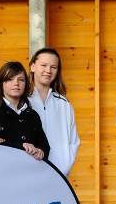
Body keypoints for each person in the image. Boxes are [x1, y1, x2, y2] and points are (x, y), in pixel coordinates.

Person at [0, 61, 49, 160]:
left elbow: (44, 145)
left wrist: (40, 151)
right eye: (10, 79)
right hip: (2, 172)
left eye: (21, 80)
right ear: (1, 83)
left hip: (29, 171)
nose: (16, 83)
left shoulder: (33, 115)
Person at [28, 47, 80, 176]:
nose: (48, 71)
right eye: (44, 65)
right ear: (32, 66)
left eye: (53, 67)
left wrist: (65, 165)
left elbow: (73, 141)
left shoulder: (64, 104)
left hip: (60, 175)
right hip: (30, 173)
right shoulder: (23, 101)